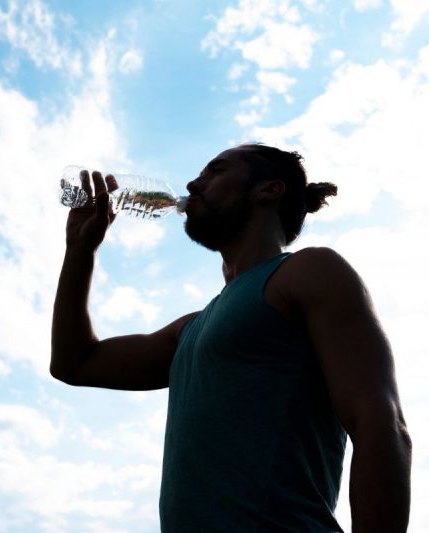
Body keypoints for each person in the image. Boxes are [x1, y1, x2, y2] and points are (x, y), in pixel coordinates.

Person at [50, 144, 412, 532]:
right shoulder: (191, 329)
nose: (192, 183)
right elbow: (74, 362)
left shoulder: (308, 272)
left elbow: (380, 423)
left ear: (268, 191)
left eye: (216, 170)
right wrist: (79, 250)